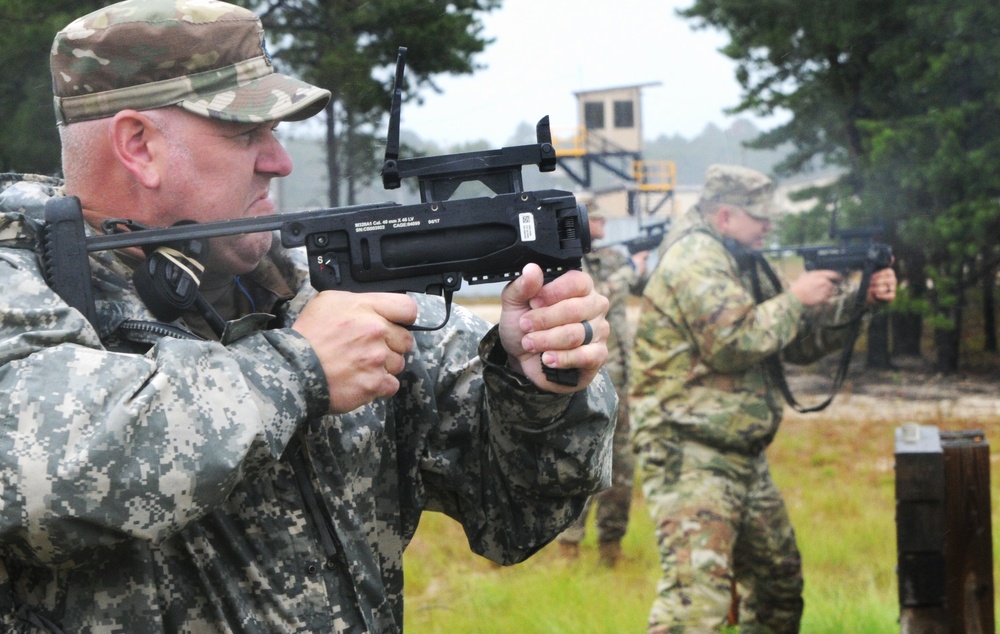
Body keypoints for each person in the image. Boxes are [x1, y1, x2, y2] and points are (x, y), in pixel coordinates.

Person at [0, 1, 617, 632]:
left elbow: (516, 514)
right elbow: (40, 477)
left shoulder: (304, 292)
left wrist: (536, 386)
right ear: (139, 146)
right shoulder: (21, 290)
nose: (280, 161)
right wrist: (297, 370)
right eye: (247, 133)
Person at [630, 164, 897, 632]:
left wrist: (861, 302)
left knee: (777, 589)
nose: (770, 226)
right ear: (726, 215)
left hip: (740, 454)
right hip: (688, 452)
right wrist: (796, 297)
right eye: (761, 217)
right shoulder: (695, 257)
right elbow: (734, 344)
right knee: (695, 607)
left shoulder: (740, 256)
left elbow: (793, 342)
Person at [557, 207, 649, 568]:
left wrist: (642, 262)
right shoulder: (566, 263)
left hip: (623, 379)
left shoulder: (610, 257)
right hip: (589, 381)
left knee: (623, 465)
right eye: (597, 219)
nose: (603, 226)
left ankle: (612, 546)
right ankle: (570, 545)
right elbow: (598, 299)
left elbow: (642, 285)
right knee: (585, 461)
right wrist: (630, 269)